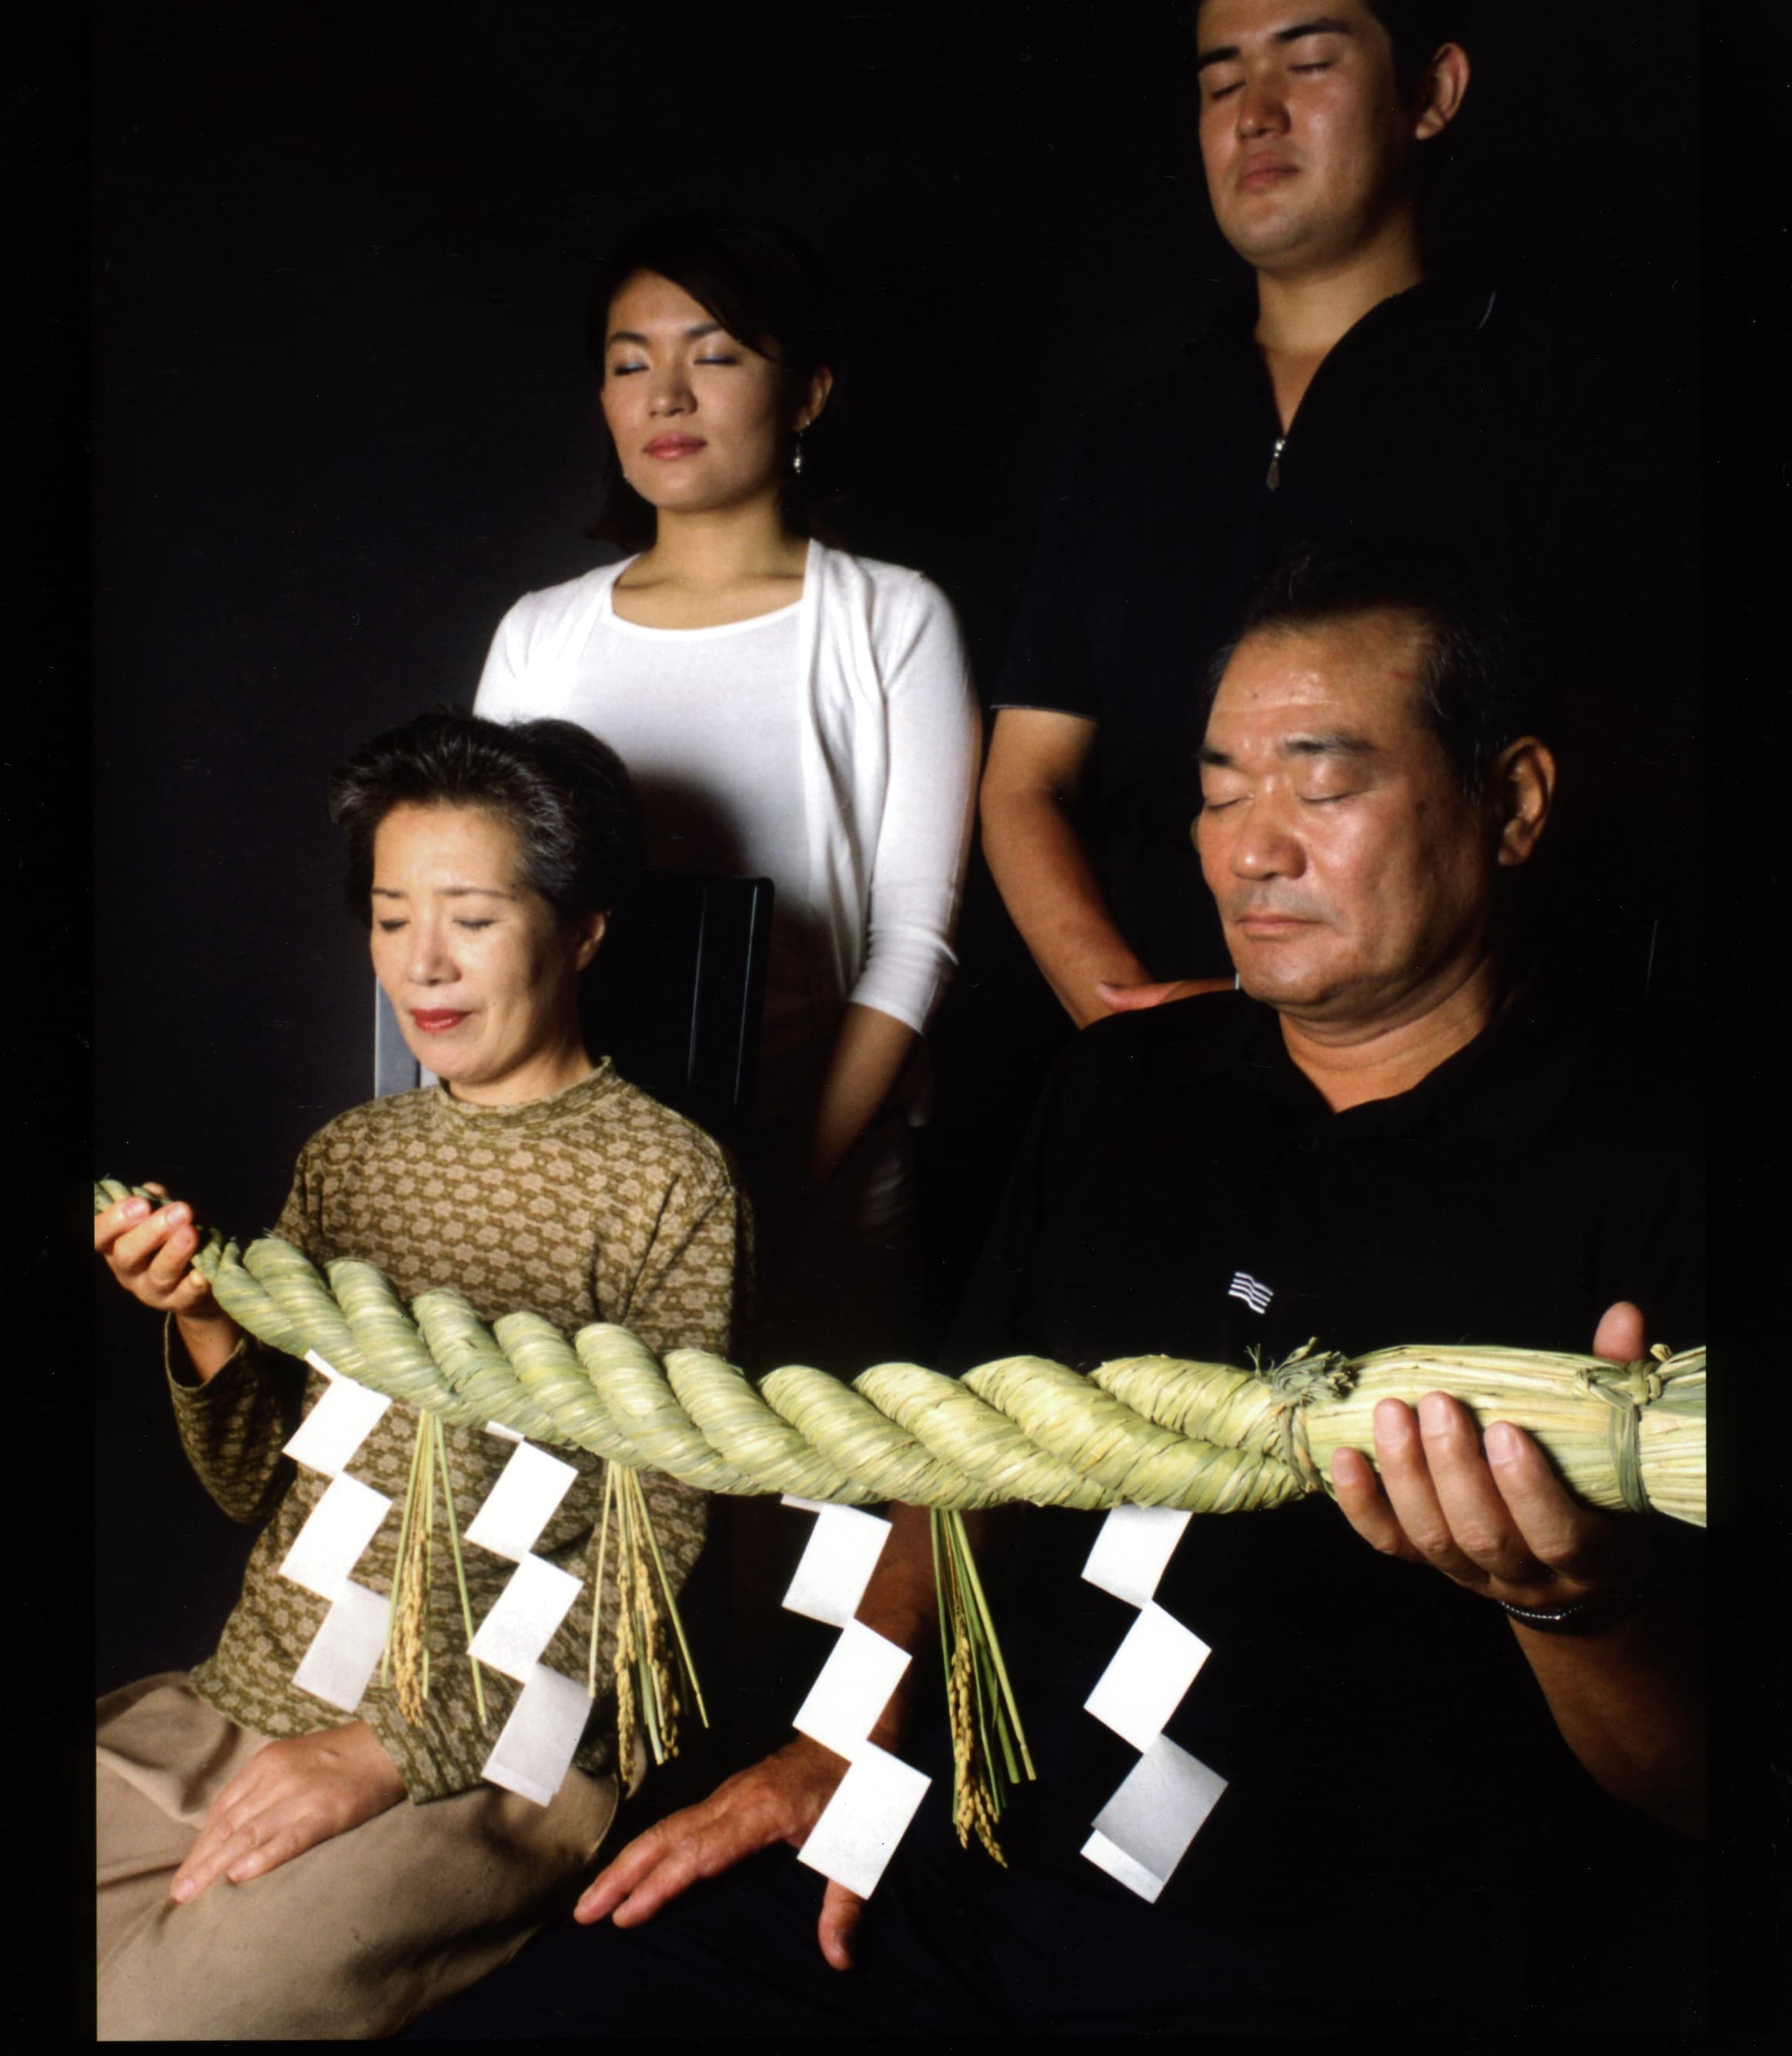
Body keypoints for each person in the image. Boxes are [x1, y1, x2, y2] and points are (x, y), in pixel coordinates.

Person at [551, 542, 1703, 2039]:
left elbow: (1705, 1789)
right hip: (971, 1850)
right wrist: (842, 1741)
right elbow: (955, 1455)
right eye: (1219, 791)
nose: (1249, 850)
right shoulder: (1120, 1085)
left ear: (1515, 799)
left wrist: (1574, 1604)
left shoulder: (1660, 1168)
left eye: (1321, 785)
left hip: (1345, 1951)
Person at [92, 709, 746, 2041]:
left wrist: (385, 1748)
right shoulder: (350, 1155)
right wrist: (202, 1318)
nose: (422, 961)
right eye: (392, 918)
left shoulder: (668, 1179)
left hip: (489, 1746)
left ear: (583, 927)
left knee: (165, 2014)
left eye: (472, 917)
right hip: (251, 1692)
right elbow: (255, 1485)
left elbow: (658, 1546)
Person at [978, 0, 1694, 1035]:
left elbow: (1622, 754)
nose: (1256, 114)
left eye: (1308, 64)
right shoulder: (1126, 441)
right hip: (1147, 1054)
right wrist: (1133, 1022)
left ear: (1432, 91)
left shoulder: (1562, 396)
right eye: (1222, 84)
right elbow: (1026, 782)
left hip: (1455, 1062)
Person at [475, 211, 981, 1385]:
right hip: (570, 1189)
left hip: (821, 1183)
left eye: (713, 354)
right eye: (629, 362)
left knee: (809, 1486)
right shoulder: (542, 633)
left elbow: (915, 937)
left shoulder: (891, 617)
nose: (666, 394)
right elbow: (480, 905)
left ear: (807, 393)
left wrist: (775, 1184)